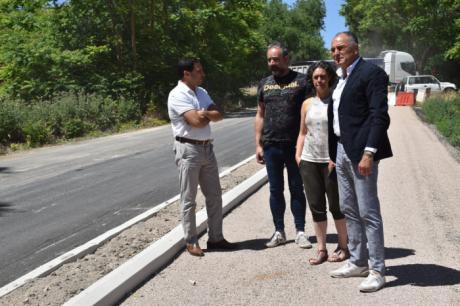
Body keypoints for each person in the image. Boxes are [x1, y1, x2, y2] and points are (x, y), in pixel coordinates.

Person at [327, 32, 393, 292]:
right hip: (342, 149)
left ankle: (377, 269)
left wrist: (369, 152)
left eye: (341, 48)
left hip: (361, 152)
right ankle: (358, 261)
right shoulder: (341, 78)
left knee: (368, 212)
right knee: (348, 208)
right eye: (333, 49)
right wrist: (334, 154)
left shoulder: (371, 74)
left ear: (355, 49)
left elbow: (380, 116)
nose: (336, 53)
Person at [168, 59, 235, 257]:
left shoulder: (201, 92)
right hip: (188, 150)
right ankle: (191, 241)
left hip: (207, 149)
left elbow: (219, 114)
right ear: (186, 74)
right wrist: (206, 115)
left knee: (214, 196)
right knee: (189, 199)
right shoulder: (177, 94)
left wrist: (203, 112)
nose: (202, 74)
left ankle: (216, 238)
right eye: (198, 71)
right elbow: (196, 122)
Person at [255, 42, 313, 249]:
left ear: (287, 59)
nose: (272, 63)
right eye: (269, 59)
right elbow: (260, 114)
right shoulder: (264, 84)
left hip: (295, 146)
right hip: (271, 146)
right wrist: (258, 144)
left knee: (297, 189)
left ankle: (300, 231)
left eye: (276, 59)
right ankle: (279, 231)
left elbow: (311, 113)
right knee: (275, 190)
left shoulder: (302, 82)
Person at [295, 61, 349, 265]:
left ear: (330, 78)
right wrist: (298, 156)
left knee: (337, 207)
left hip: (331, 162)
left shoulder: (336, 101)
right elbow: (302, 132)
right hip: (309, 161)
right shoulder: (307, 103)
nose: (319, 80)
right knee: (316, 207)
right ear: (312, 79)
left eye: (323, 76)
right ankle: (321, 249)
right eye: (316, 77)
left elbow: (341, 133)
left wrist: (336, 157)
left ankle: (344, 247)